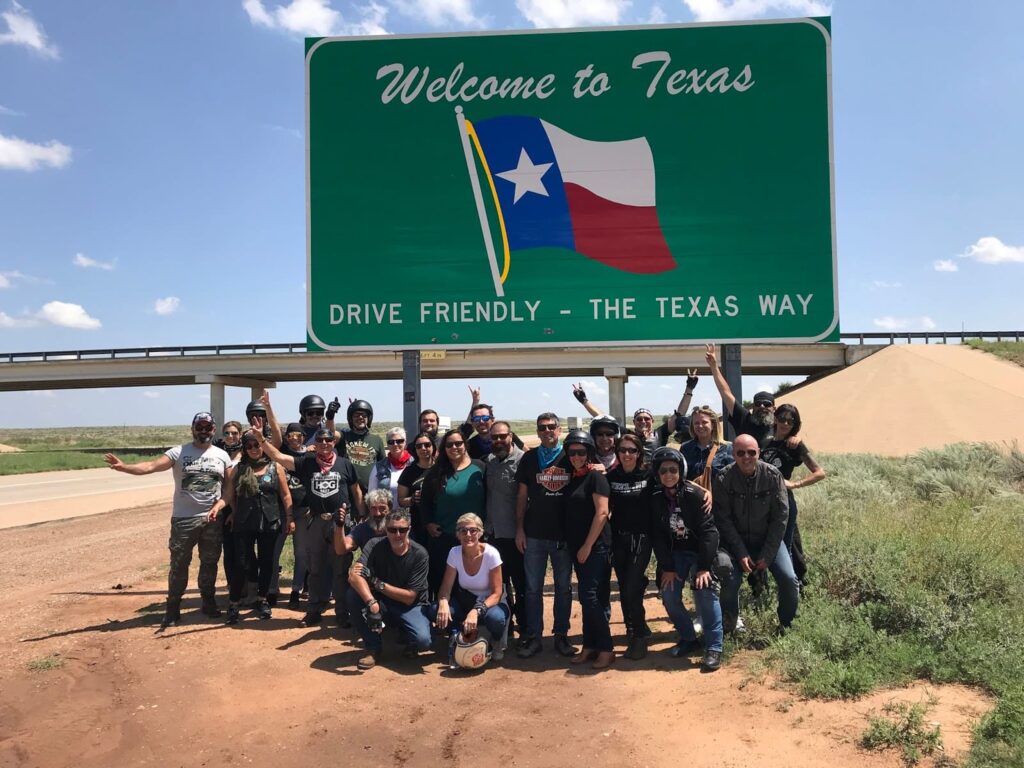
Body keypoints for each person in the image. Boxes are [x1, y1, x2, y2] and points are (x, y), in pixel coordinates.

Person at [103, 412, 233, 628]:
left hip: (212, 520)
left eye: (207, 427)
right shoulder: (178, 452)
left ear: (213, 429)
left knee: (209, 563)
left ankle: (208, 602)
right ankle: (173, 607)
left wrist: (219, 506)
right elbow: (151, 466)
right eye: (199, 427)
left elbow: (229, 490)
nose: (203, 431)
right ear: (192, 429)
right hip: (183, 520)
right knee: (179, 565)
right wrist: (124, 467)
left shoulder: (222, 456)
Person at [253, 422, 363, 628]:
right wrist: (260, 439)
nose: (324, 443)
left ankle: (341, 612)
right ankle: (313, 609)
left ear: (334, 442)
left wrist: (361, 513)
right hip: (316, 522)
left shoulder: (345, 464)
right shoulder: (306, 462)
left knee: (340, 568)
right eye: (319, 440)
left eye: (328, 440)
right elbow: (278, 457)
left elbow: (356, 490)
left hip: (340, 523)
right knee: (315, 568)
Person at [714, 434, 799, 632]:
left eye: (751, 452)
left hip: (767, 541)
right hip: (735, 542)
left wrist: (768, 555)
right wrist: (741, 552)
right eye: (740, 453)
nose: (746, 457)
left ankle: (787, 625)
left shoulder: (772, 475)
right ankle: (730, 625)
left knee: (788, 579)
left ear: (758, 453)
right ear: (733, 454)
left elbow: (781, 518)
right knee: (729, 578)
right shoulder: (724, 478)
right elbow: (723, 520)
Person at [650, 446, 724, 672]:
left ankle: (714, 647)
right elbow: (658, 536)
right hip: (676, 554)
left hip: (700, 552)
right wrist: (667, 568)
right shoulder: (655, 499)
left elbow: (709, 533)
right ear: (657, 474)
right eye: (663, 471)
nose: (669, 475)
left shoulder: (695, 494)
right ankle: (688, 638)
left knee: (704, 591)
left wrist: (703, 568)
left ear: (681, 471)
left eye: (673, 469)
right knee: (669, 595)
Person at [515, 413, 576, 659]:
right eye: (542, 427)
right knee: (532, 589)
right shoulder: (529, 459)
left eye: (552, 427)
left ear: (559, 430)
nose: (547, 431)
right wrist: (519, 528)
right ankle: (534, 636)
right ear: (538, 431)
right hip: (535, 534)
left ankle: (561, 635)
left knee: (563, 588)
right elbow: (521, 496)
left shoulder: (571, 456)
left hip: (563, 535)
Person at [220, 432, 294, 624]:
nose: (254, 449)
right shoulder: (239, 469)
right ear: (244, 449)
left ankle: (262, 600)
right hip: (244, 523)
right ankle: (234, 603)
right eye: (249, 446)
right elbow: (229, 495)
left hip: (269, 522)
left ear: (263, 446)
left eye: (257, 445)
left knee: (267, 563)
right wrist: (224, 509)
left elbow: (285, 495)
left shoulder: (275, 467)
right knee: (241, 564)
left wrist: (289, 518)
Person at [348, 510, 432, 670]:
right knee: (353, 595)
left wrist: (376, 582)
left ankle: (408, 637)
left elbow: (409, 597)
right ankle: (373, 648)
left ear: (410, 529)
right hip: (383, 601)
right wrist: (371, 602)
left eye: (403, 529)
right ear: (385, 529)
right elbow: (353, 575)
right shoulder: (374, 545)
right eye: (392, 529)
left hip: (410, 606)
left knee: (424, 642)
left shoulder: (420, 554)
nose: (398, 534)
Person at [562, 429, 614, 669]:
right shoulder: (573, 477)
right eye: (572, 452)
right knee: (592, 598)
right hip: (577, 547)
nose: (576, 456)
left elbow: (602, 513)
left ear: (589, 452)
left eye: (581, 452)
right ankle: (590, 646)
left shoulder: (596, 477)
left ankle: (606, 648)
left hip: (596, 546)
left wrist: (587, 546)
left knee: (589, 596)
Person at [760, 403, 825, 576]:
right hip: (760, 502)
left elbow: (819, 473)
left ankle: (790, 589)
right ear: (775, 418)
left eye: (791, 421)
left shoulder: (795, 445)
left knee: (786, 547)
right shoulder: (765, 442)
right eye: (782, 419)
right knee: (761, 546)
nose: (786, 424)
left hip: (783, 501)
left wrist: (795, 484)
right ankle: (760, 588)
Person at [435, 512, 510, 661]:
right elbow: (446, 588)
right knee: (435, 610)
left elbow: (496, 593)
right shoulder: (454, 553)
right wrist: (443, 601)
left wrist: (476, 611)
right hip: (467, 598)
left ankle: (495, 640)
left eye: (473, 530)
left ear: (480, 533)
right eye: (463, 530)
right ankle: (456, 635)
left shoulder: (491, 554)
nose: (468, 534)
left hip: (491, 602)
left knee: (496, 619)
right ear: (458, 534)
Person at [421, 428, 487, 597]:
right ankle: (445, 615)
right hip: (445, 536)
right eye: (449, 444)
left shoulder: (480, 467)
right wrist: (428, 523)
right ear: (444, 449)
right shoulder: (436, 473)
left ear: (465, 445)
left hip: (474, 537)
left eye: (458, 443)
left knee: (473, 579)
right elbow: (425, 503)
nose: (454, 447)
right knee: (444, 580)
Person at [607, 431, 654, 659]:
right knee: (625, 585)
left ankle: (639, 638)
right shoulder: (611, 475)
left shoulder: (649, 473)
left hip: (642, 538)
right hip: (619, 538)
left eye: (632, 450)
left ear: (639, 453)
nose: (627, 454)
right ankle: (634, 626)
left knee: (631, 587)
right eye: (623, 450)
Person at [483, 420, 527, 642]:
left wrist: (522, 530)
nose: (498, 441)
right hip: (493, 535)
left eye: (502, 436)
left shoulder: (523, 461)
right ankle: (506, 628)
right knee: (500, 587)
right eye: (494, 437)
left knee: (522, 586)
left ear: (511, 436)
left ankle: (527, 630)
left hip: (516, 536)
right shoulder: (489, 462)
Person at [705, 343, 783, 447]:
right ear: (753, 406)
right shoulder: (744, 419)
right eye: (758, 403)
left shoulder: (780, 426)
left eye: (767, 404)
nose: (762, 406)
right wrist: (714, 366)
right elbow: (726, 393)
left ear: (774, 408)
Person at [275, 421, 311, 609]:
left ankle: (296, 590)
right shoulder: (282, 454)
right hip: (281, 510)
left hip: (304, 510)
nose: (295, 439)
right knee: (275, 551)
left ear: (304, 437)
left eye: (298, 435)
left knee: (301, 552)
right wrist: (268, 407)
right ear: (286, 438)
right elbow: (274, 430)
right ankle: (272, 589)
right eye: (291, 436)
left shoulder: (310, 456)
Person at [680, 405, 735, 490]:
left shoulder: (727, 448)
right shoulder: (685, 448)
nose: (700, 426)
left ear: (713, 424)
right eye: (696, 423)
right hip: (692, 500)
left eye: (704, 422)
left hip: (718, 501)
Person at [462, 386, 525, 459]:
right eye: (476, 419)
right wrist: (475, 402)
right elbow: (462, 434)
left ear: (492, 420)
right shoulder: (470, 445)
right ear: (472, 422)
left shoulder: (505, 436)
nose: (481, 421)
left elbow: (526, 453)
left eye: (485, 418)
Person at [397, 431, 436, 543]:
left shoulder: (441, 469)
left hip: (441, 520)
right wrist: (413, 499)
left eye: (427, 445)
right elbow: (401, 500)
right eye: (419, 446)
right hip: (419, 523)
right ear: (415, 449)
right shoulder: (409, 472)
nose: (423, 448)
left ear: (433, 447)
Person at [342, 399, 384, 493]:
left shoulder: (376, 439)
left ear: (369, 418)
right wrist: (330, 417)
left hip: (371, 492)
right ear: (350, 418)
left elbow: (383, 466)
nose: (360, 418)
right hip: (348, 493)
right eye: (356, 415)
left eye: (364, 415)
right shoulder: (343, 437)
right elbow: (331, 433)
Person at [335, 488, 390, 556]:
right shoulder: (362, 529)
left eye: (382, 508)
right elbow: (341, 550)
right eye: (373, 508)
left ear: (390, 508)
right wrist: (339, 525)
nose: (377, 513)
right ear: (369, 509)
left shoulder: (399, 528)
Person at [368, 427, 414, 510]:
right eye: (391, 442)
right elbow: (371, 494)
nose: (395, 444)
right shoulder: (378, 466)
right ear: (388, 445)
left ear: (405, 442)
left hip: (411, 516)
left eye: (399, 441)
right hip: (387, 517)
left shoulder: (414, 464)